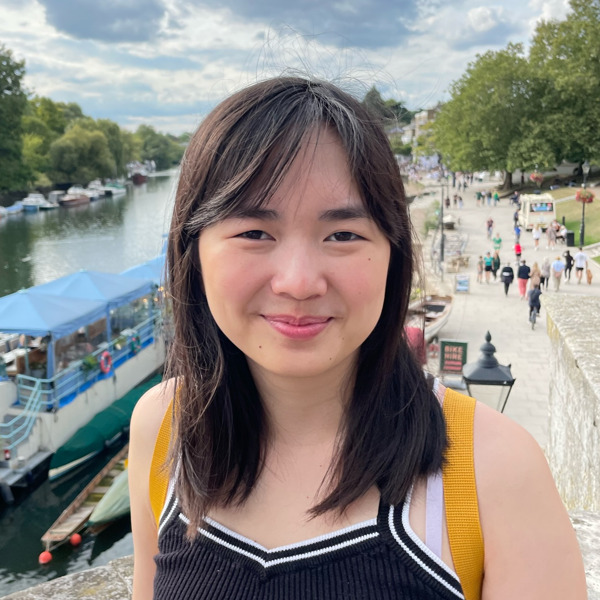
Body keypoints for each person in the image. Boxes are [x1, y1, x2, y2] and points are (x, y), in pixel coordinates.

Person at [128, 77, 586, 600]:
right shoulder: (164, 428)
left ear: (393, 255)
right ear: (193, 253)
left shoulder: (496, 471)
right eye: (254, 233)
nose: (298, 282)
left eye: (343, 235)